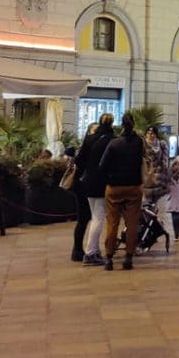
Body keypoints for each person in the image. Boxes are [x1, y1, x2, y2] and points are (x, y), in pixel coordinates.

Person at [98, 113, 144, 270]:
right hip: (133, 187)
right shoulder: (138, 142)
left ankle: (109, 258)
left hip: (114, 187)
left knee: (112, 223)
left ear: (121, 125)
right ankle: (128, 257)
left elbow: (102, 166)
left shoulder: (114, 143)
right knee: (131, 224)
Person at [75, 114, 114, 266]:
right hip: (103, 183)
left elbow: (79, 160)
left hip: (88, 182)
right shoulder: (111, 139)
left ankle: (94, 250)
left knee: (94, 215)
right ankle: (91, 252)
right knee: (98, 217)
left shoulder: (90, 138)